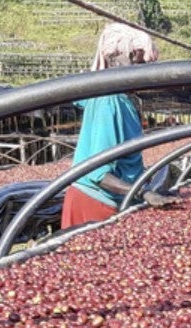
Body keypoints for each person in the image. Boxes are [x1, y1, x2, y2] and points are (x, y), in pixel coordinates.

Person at [61, 23, 170, 228]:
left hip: (112, 199)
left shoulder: (124, 100)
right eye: (136, 62)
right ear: (113, 59)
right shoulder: (109, 101)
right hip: (93, 202)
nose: (141, 71)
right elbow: (97, 172)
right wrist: (143, 192)